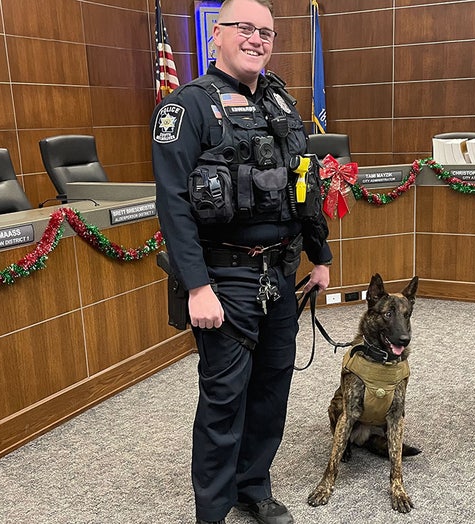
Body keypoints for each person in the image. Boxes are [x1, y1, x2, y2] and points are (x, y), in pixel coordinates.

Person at [150, 0, 332, 523]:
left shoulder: (280, 102)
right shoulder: (186, 108)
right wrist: (196, 286)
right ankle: (211, 510)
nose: (256, 40)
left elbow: (304, 183)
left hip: (280, 272)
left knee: (272, 388)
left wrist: (319, 256)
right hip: (224, 276)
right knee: (224, 397)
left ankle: (253, 486)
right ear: (217, 33)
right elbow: (173, 205)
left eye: (266, 33)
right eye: (245, 29)